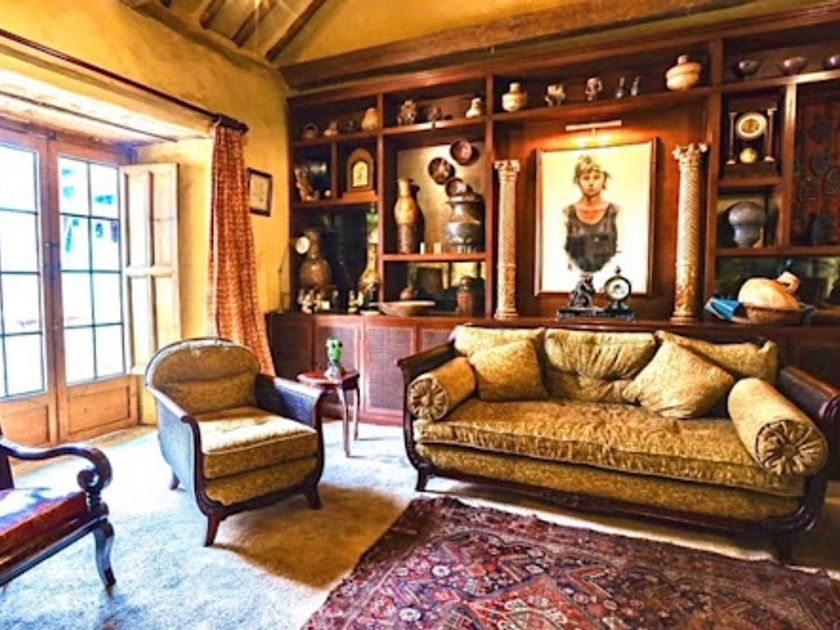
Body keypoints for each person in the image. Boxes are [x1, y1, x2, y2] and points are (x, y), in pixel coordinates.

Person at [563, 154, 619, 273]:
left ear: (604, 179)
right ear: (578, 180)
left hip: (609, 277)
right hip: (573, 276)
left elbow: (623, 250)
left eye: (596, 177)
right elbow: (560, 252)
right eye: (586, 178)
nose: (591, 183)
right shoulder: (567, 213)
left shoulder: (616, 212)